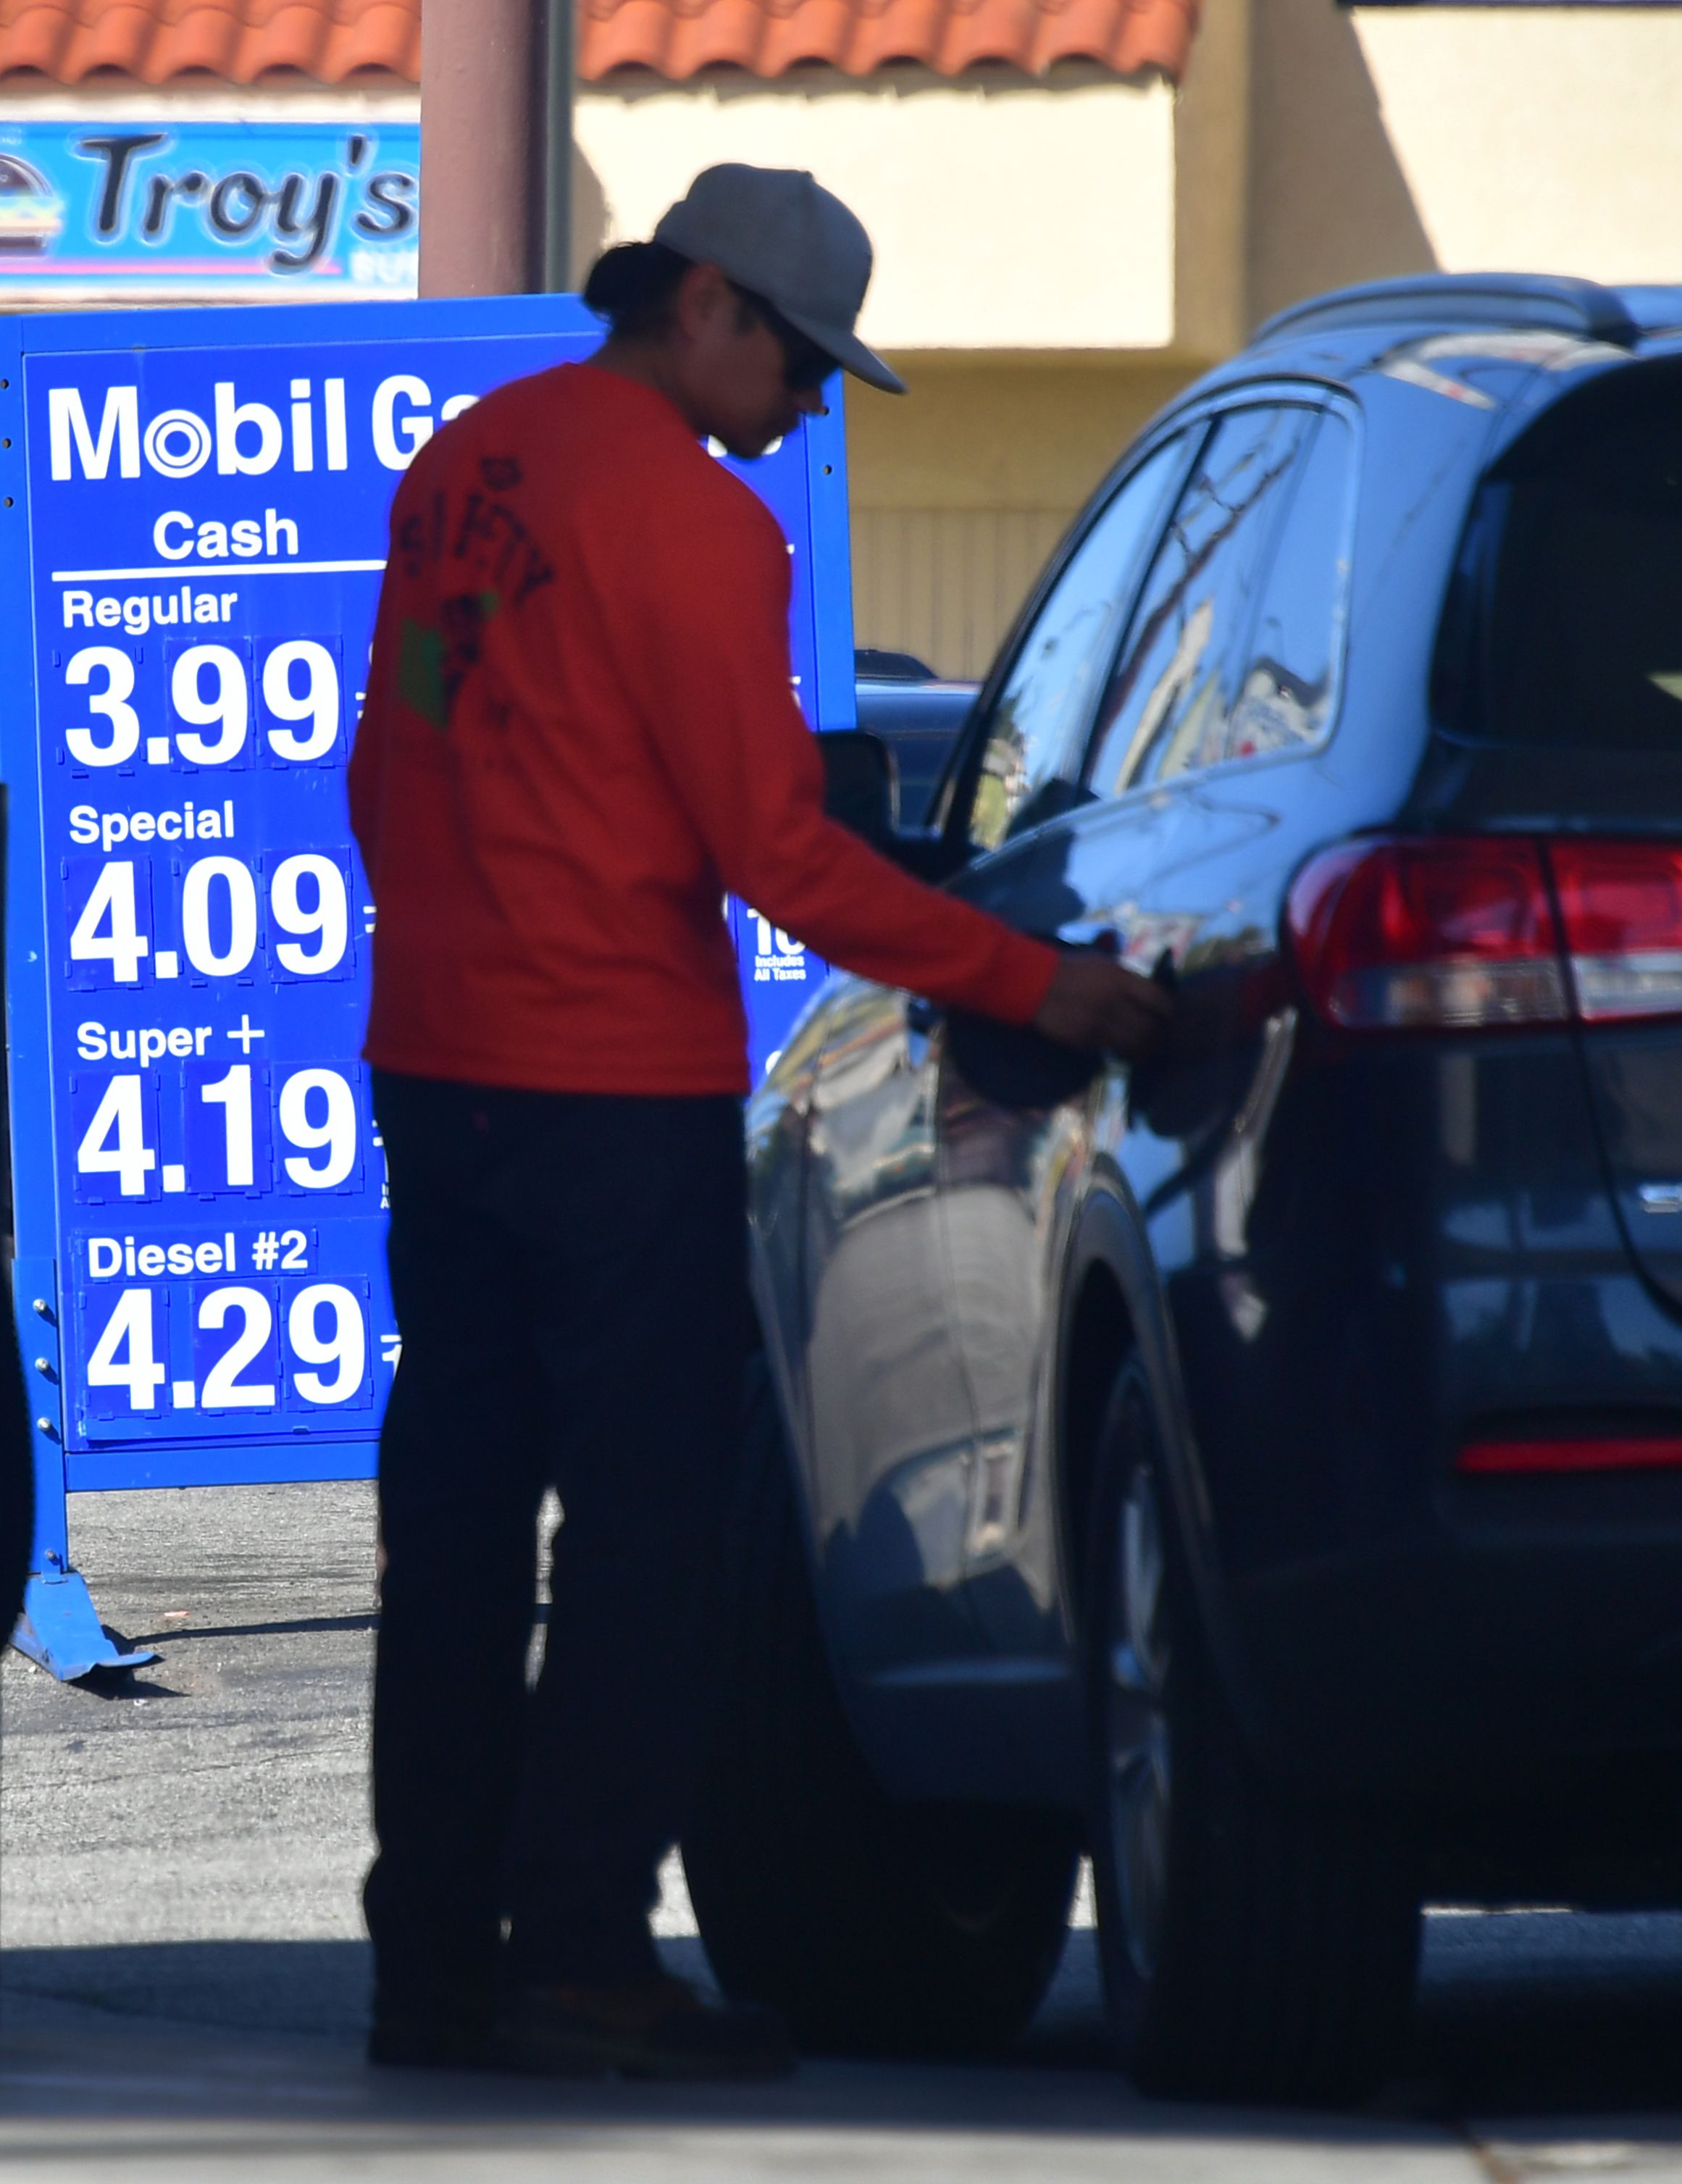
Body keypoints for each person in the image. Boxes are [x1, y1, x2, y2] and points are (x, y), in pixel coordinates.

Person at [344, 164, 1173, 2080]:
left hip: (437, 1070)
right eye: (797, 359)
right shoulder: (704, 532)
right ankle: (576, 1956)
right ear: (703, 303)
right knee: (646, 1539)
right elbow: (780, 856)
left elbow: (390, 761)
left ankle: (429, 1975)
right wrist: (1032, 979)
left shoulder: (461, 472)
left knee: (453, 1529)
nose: (804, 406)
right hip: (612, 1090)